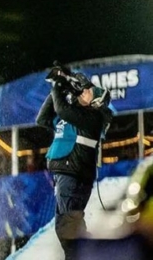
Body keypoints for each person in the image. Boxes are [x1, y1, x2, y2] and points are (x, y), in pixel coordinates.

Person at [35, 65, 113, 259]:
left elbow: (61, 109)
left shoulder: (93, 118)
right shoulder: (72, 116)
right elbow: (42, 118)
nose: (84, 91)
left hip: (75, 175)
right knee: (66, 227)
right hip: (66, 174)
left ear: (95, 103)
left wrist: (58, 85)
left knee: (69, 228)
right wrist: (59, 87)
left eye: (88, 92)